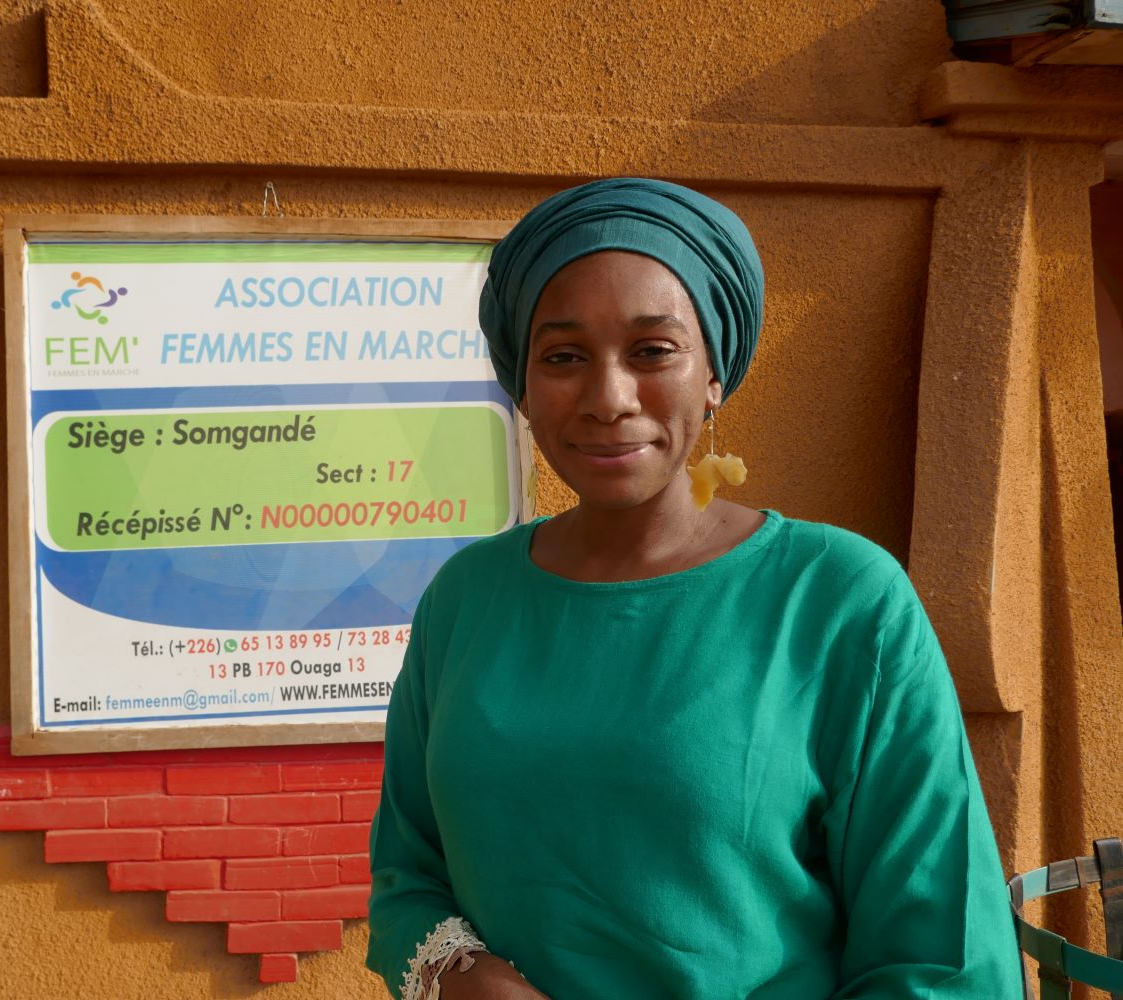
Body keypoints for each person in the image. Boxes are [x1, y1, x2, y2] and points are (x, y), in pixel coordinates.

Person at [364, 179, 1021, 999]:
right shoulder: (466, 601)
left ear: (715, 372)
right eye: (564, 357)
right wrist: (460, 978)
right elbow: (405, 874)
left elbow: (940, 955)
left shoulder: (840, 601)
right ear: (523, 387)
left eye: (653, 351)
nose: (609, 399)